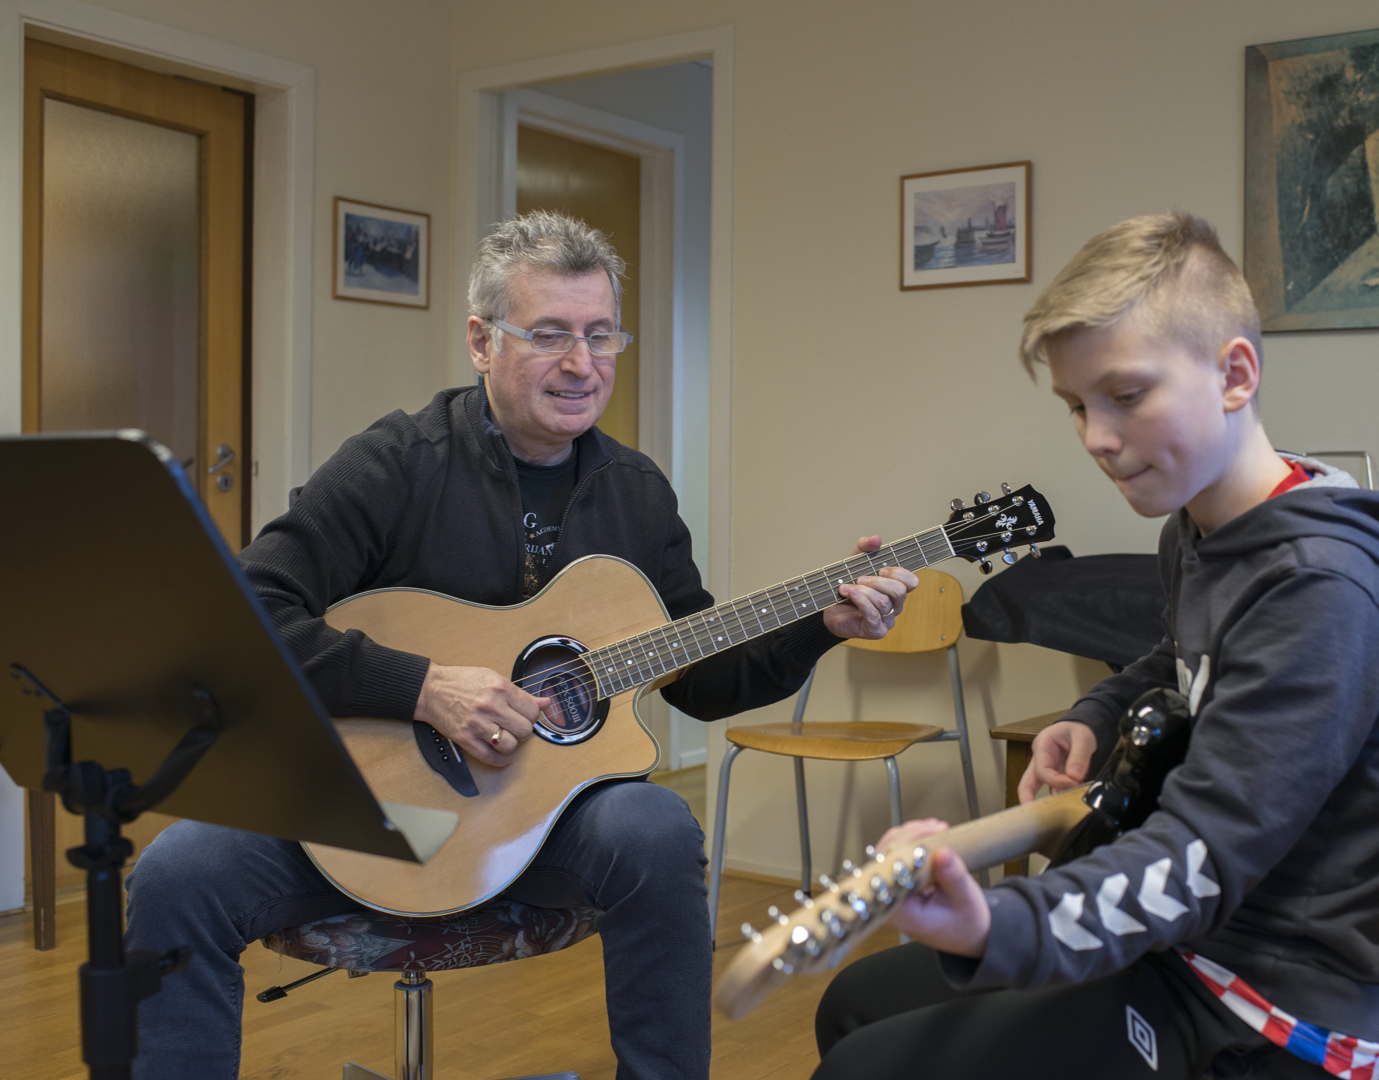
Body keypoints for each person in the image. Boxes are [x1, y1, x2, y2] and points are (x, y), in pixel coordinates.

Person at [125, 210, 919, 1080]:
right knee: (178, 868)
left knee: (654, 825)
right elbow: (246, 612)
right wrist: (421, 686)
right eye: (549, 336)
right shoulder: (396, 463)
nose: (582, 365)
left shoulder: (638, 494)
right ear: (480, 340)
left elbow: (696, 676)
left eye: (600, 335)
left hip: (550, 829)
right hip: (371, 813)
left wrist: (821, 625)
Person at [813, 213, 1379, 1080]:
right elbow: (1183, 660)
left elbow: (1199, 857)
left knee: (870, 1068)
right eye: (1077, 407)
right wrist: (1097, 715)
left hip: (1266, 1014)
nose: (1096, 438)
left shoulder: (1321, 591)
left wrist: (998, 925)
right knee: (853, 1003)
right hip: (1188, 951)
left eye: (1127, 395)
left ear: (1234, 374)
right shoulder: (1204, 527)